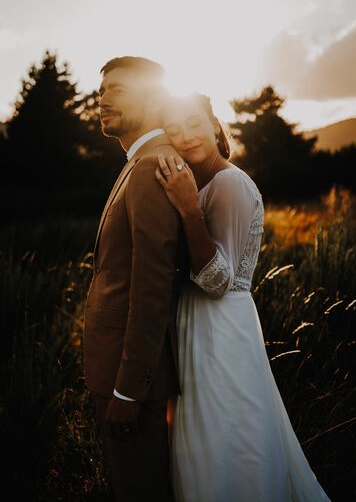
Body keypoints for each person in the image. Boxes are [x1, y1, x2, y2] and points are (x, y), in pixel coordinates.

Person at [155, 93, 332, 502]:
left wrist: (187, 209)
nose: (185, 136)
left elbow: (218, 280)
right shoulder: (201, 181)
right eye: (174, 129)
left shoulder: (229, 183)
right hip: (198, 324)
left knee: (228, 441)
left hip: (220, 327)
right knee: (205, 436)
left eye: (194, 123)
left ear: (215, 125)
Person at [83, 56, 188, 502]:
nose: (102, 100)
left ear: (153, 99)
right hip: (117, 371)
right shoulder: (138, 160)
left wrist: (129, 389)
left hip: (130, 383)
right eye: (102, 90)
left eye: (117, 91)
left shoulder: (151, 167)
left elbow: (152, 286)